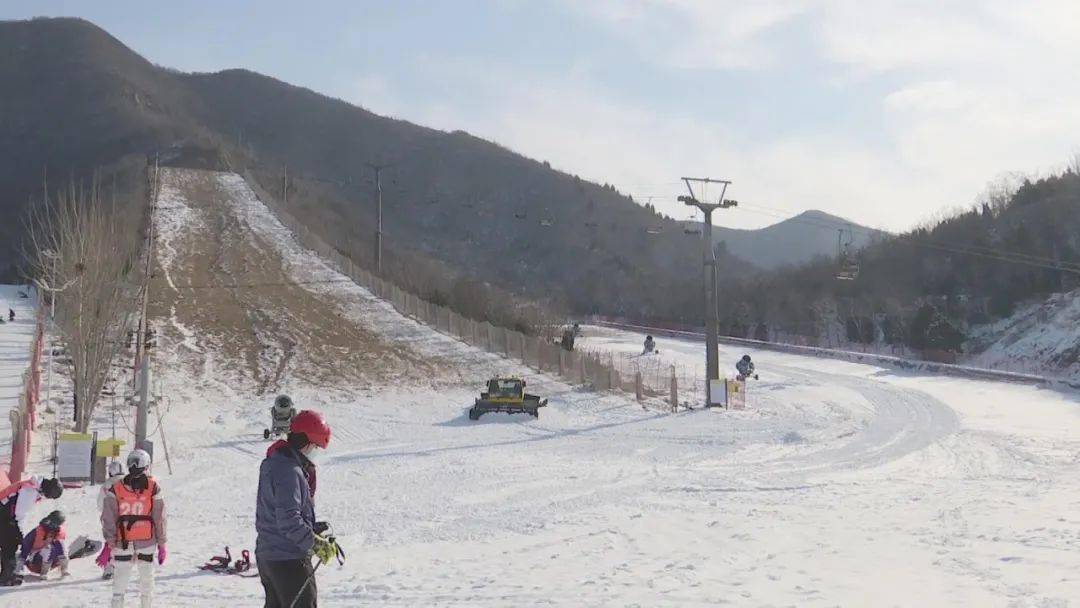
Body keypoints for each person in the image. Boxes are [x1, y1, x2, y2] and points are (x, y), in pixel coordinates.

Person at [256, 410, 332, 608]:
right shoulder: (290, 471)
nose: (315, 452)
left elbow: (277, 512)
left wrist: (311, 528)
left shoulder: (274, 463)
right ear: (307, 442)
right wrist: (315, 543)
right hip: (288, 560)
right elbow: (289, 519)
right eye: (316, 446)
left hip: (269, 556)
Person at [101, 449, 167, 608]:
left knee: (119, 585)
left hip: (122, 542)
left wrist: (109, 543)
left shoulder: (116, 488)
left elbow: (108, 518)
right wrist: (162, 543)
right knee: (146, 584)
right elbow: (160, 517)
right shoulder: (153, 487)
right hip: (147, 542)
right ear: (147, 465)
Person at [0, 476, 63, 586]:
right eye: (51, 496)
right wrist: (19, 531)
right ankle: (7, 577)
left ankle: (8, 574)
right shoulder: (30, 491)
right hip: (5, 515)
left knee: (9, 543)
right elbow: (19, 513)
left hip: (6, 514)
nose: (48, 498)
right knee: (10, 544)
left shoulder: (33, 486)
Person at [96, 460, 126, 580]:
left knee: (110, 542)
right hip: (127, 517)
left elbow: (100, 504)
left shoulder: (106, 485)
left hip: (109, 518)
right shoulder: (129, 482)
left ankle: (109, 567)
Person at [18, 510, 69, 580]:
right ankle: (43, 574)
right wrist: (19, 566)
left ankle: (64, 570)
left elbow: (60, 548)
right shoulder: (37, 532)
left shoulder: (59, 532)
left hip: (52, 564)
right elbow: (25, 549)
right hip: (35, 563)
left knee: (60, 543)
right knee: (48, 548)